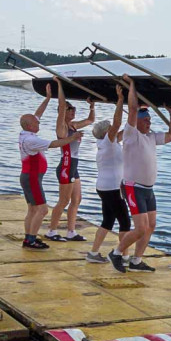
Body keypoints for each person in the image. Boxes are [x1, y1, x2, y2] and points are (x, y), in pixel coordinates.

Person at [108, 76, 171, 273]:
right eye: (145, 120)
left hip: (148, 189)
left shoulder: (151, 137)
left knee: (151, 226)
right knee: (140, 228)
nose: (149, 123)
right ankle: (116, 252)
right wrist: (132, 86)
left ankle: (137, 261)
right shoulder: (131, 135)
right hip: (133, 186)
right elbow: (131, 110)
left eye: (149, 120)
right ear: (136, 123)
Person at [18, 81, 82, 250]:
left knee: (32, 209)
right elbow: (55, 144)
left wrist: (47, 98)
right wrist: (72, 138)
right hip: (32, 177)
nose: (39, 124)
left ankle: (28, 238)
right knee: (42, 209)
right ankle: (31, 239)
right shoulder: (32, 140)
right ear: (31, 126)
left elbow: (37, 115)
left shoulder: (25, 132)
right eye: (37, 123)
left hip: (29, 177)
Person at [87, 85, 130, 263]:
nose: (114, 129)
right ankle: (123, 256)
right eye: (111, 128)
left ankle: (94, 253)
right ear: (107, 132)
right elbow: (118, 122)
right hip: (112, 188)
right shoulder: (107, 142)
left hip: (104, 187)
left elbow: (125, 130)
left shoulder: (107, 144)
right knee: (125, 222)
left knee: (108, 221)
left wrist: (135, 110)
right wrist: (120, 100)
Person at [45, 87, 95, 242]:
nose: (73, 111)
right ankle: (52, 231)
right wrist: (60, 86)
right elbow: (61, 107)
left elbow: (90, 120)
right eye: (70, 109)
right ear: (63, 112)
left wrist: (92, 106)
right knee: (64, 201)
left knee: (77, 199)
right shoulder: (62, 127)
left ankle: (71, 231)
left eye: (74, 109)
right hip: (66, 166)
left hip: (74, 166)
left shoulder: (74, 126)